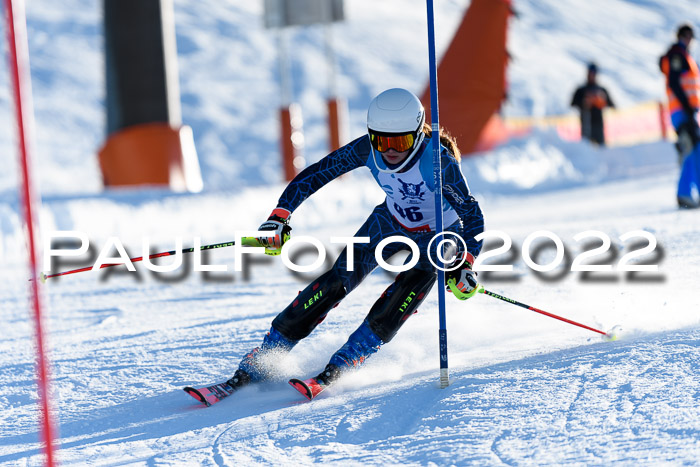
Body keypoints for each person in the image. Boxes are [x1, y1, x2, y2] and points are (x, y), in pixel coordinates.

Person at [226, 88, 485, 397]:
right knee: (335, 282)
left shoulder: (437, 163)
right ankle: (268, 355)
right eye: (380, 140)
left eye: (399, 142)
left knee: (405, 290)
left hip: (440, 235)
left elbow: (473, 217)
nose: (389, 151)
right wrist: (280, 216)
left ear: (417, 135)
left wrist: (465, 264)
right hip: (389, 223)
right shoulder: (367, 150)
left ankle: (348, 360)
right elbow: (315, 175)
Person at [660, 23, 700, 209]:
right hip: (681, 111)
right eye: (689, 36)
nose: (691, 40)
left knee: (693, 150)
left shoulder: (684, 55)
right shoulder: (677, 54)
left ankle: (688, 192)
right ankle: (683, 193)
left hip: (686, 111)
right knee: (691, 149)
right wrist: (687, 106)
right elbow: (675, 83)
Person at [571, 63, 615, 146]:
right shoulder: (581, 90)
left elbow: (612, 105)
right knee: (586, 151)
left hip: (599, 126)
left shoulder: (601, 90)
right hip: (586, 125)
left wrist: (602, 101)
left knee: (601, 150)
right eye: (590, 72)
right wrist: (584, 102)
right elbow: (572, 104)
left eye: (594, 73)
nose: (592, 75)